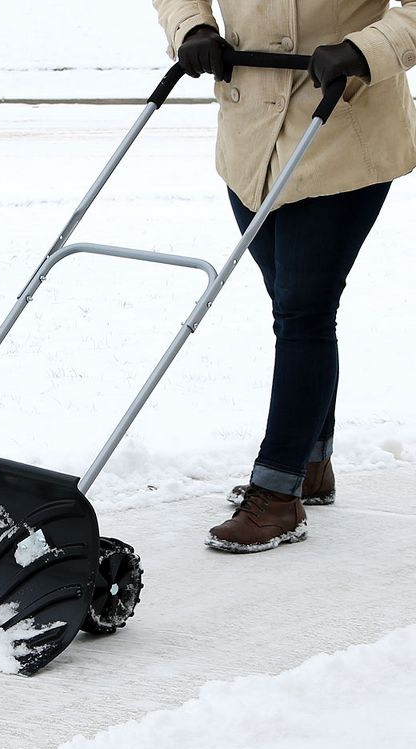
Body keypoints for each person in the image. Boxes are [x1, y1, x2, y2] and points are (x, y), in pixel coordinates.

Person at [152, 1, 416, 552]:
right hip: (249, 136)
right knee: (295, 308)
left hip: (341, 125)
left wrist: (363, 49)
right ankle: (310, 465)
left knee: (303, 311)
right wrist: (193, 27)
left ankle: (276, 492)